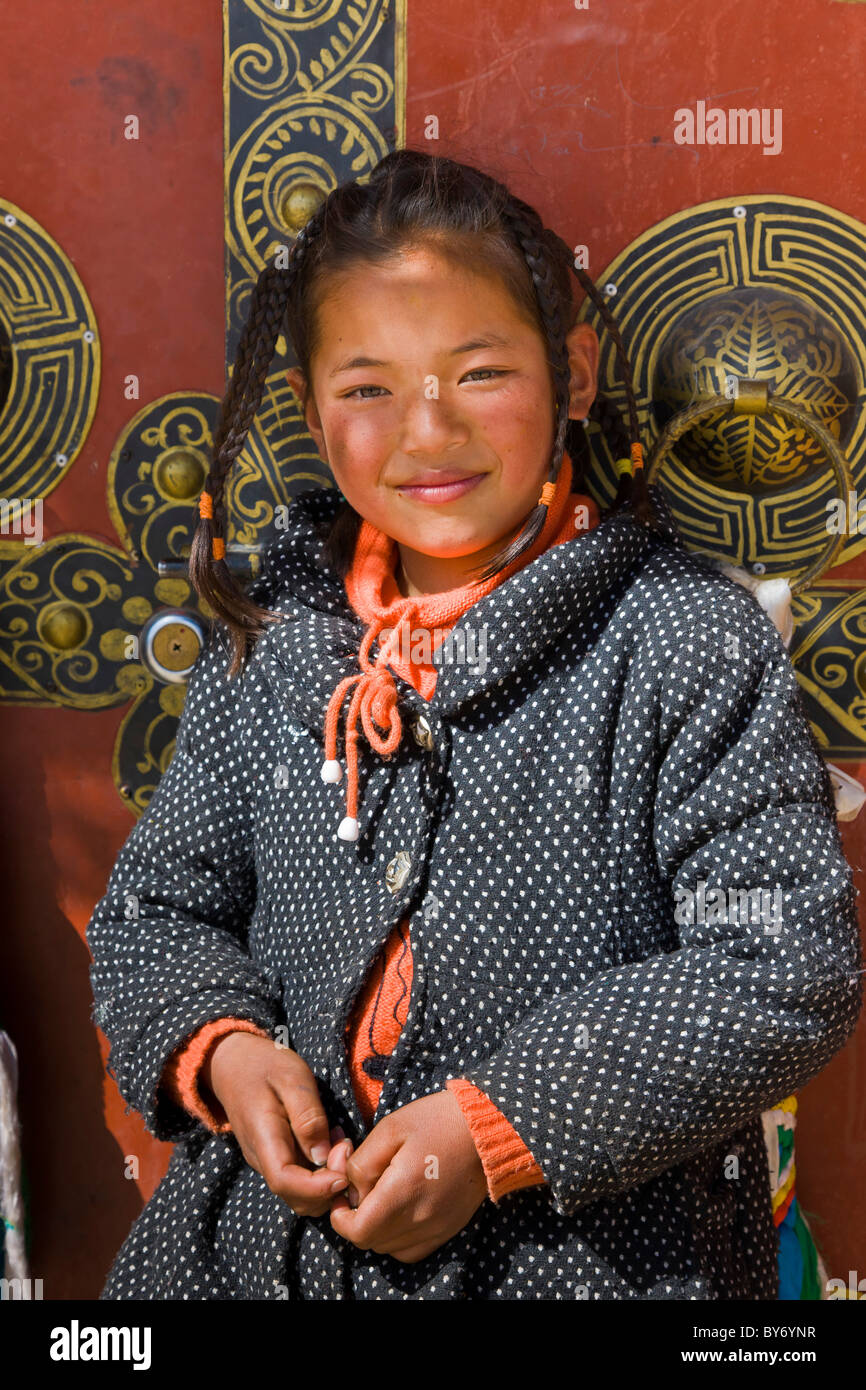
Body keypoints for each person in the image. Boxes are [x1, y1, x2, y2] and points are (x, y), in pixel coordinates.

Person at [86, 148, 863, 1300]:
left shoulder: (680, 645)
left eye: (479, 370)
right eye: (367, 388)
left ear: (574, 372)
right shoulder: (274, 645)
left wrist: (497, 1128)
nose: (426, 428)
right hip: (262, 1262)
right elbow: (155, 911)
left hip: (596, 1263)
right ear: (309, 410)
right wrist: (228, 1051)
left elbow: (781, 960)